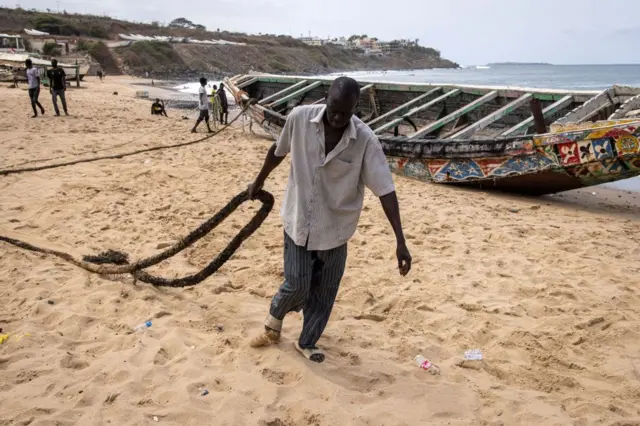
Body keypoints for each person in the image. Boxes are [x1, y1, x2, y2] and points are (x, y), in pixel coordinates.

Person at [247, 76, 412, 363]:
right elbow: (277, 152)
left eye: (345, 113)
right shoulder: (299, 119)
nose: (337, 118)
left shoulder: (365, 140)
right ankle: (273, 323)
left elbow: (385, 189)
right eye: (333, 109)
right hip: (298, 220)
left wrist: (401, 240)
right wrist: (258, 181)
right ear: (326, 99)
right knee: (297, 284)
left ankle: (307, 341)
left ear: (355, 108)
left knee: (324, 292)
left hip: (336, 229)